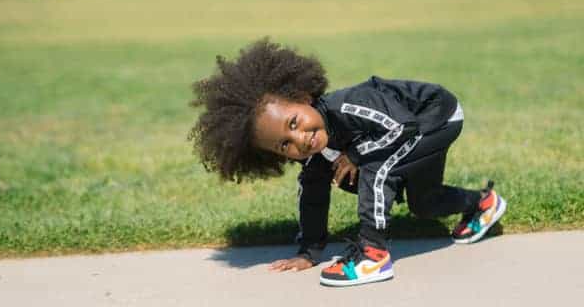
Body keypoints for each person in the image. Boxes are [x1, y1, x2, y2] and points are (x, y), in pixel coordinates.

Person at [189, 40, 507, 287]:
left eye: (294, 122)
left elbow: (402, 127)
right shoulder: (314, 155)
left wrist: (355, 155)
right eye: (285, 144)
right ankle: (482, 203)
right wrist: (308, 253)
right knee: (424, 203)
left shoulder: (347, 106)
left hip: (436, 115)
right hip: (415, 132)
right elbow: (313, 198)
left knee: (374, 167)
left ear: (302, 96)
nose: (299, 139)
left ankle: (373, 255)